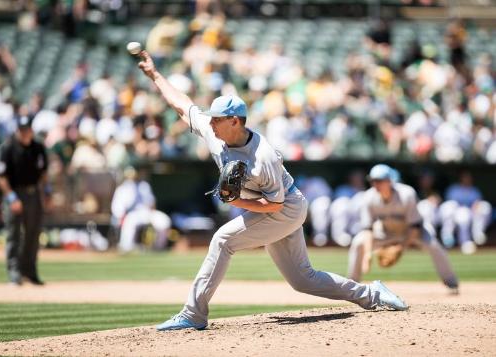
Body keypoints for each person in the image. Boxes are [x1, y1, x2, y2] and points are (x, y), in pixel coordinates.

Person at [136, 50, 408, 331]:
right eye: (212, 118)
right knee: (303, 280)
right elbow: (183, 105)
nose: (211, 122)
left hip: (286, 206)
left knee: (222, 240)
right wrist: (155, 75)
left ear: (235, 121)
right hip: (275, 206)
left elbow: (274, 206)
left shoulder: (262, 156)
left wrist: (237, 199)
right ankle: (373, 293)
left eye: (217, 119)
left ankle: (194, 313)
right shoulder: (215, 133)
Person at [347, 164, 459, 294]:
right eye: (373, 181)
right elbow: (368, 229)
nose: (375, 184)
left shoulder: (406, 194)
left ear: (390, 181)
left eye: (379, 180)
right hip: (386, 231)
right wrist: (367, 255)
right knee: (358, 242)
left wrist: (400, 248)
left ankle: (451, 282)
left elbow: (415, 226)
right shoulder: (369, 197)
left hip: (411, 231)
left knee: (434, 246)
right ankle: (352, 285)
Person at [0, 116, 50, 285]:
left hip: (33, 193)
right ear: (17, 130)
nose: (25, 132)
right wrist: (11, 198)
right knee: (14, 234)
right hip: (14, 193)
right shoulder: (7, 148)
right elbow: (1, 176)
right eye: (22, 129)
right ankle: (14, 271)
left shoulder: (38, 147)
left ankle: (30, 271)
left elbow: (43, 173)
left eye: (27, 129)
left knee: (33, 234)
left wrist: (46, 193)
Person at [111, 166, 171, 252]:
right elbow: (117, 207)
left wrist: (151, 212)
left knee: (164, 220)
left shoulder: (144, 186)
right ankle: (126, 247)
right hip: (131, 214)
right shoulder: (122, 189)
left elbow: (151, 202)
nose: (132, 177)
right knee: (130, 222)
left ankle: (159, 247)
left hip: (147, 212)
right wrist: (121, 216)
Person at [438, 171, 492, 255]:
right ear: (461, 178)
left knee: (485, 207)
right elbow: (451, 204)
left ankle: (478, 233)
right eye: (465, 177)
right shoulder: (454, 189)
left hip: (471, 213)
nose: (467, 179)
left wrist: (475, 205)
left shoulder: (474, 190)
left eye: (468, 177)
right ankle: (450, 236)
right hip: (457, 214)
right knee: (460, 214)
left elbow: (477, 202)